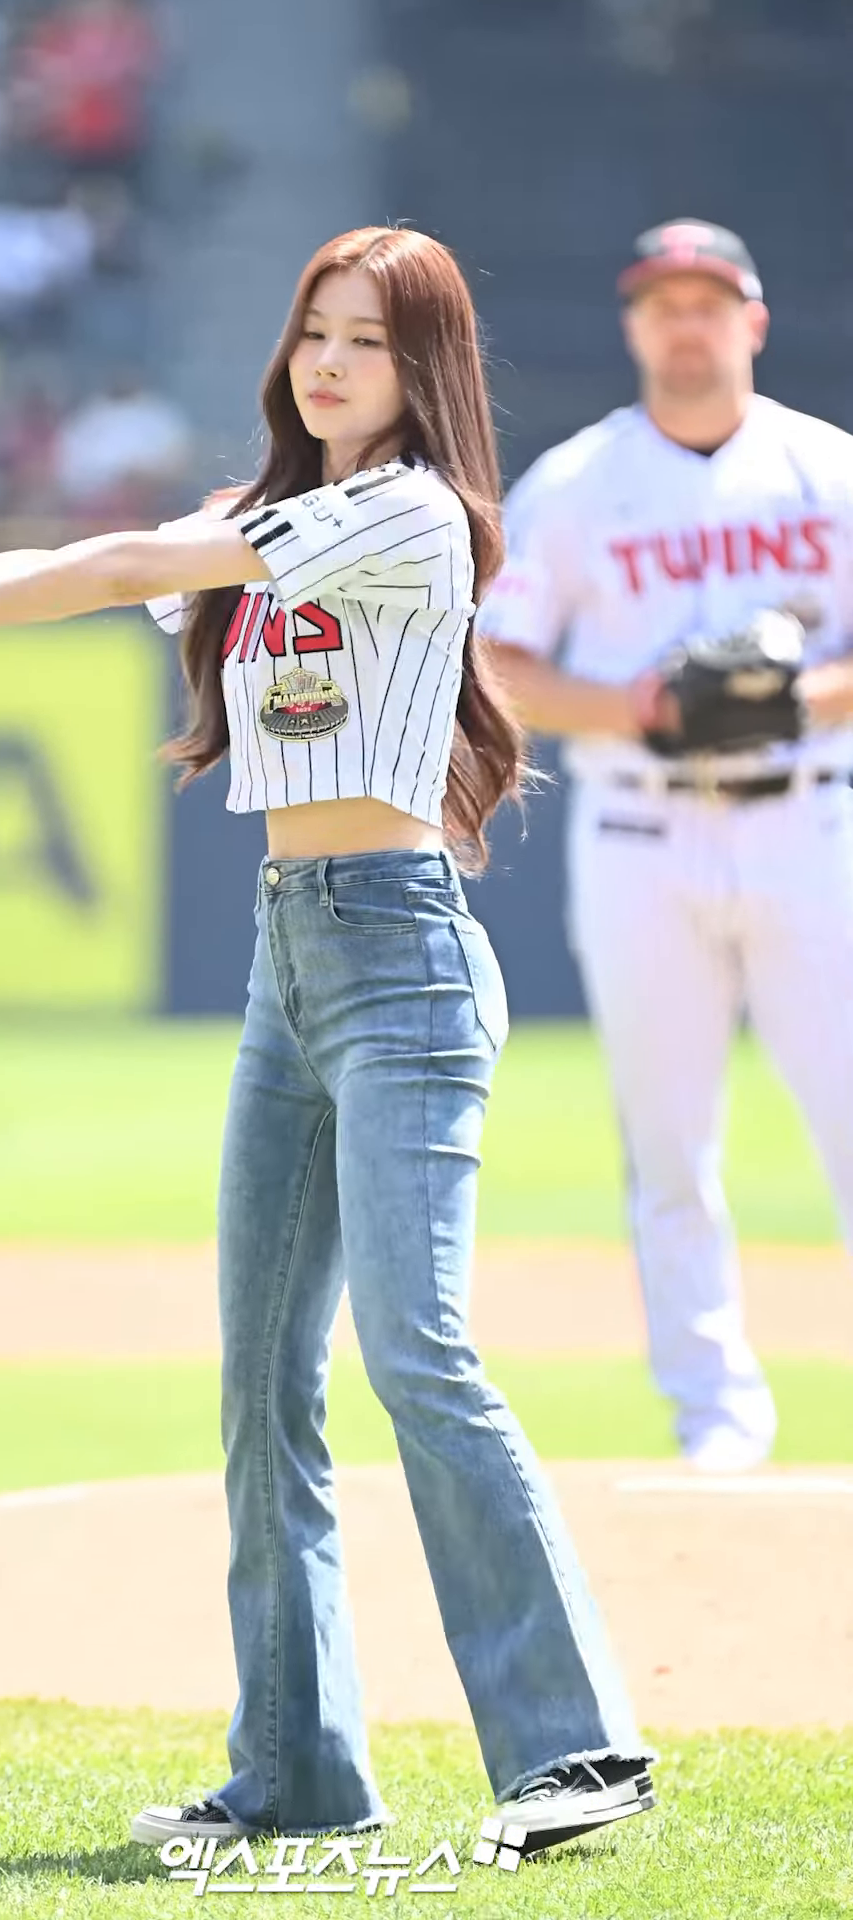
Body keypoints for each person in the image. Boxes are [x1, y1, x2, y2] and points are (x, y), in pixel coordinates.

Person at [0, 226, 656, 1856]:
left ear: (422, 366)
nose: (328, 361)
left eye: (367, 339)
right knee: (259, 1387)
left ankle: (578, 1748)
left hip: (400, 962)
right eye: (316, 328)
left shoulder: (410, 510)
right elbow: (116, 562)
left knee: (416, 1352)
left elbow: (116, 566)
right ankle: (300, 1773)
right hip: (289, 961)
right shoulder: (272, 513)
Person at [476, 219, 853, 1475]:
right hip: (640, 829)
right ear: (634, 326)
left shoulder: (827, 469)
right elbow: (501, 662)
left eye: (709, 303)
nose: (686, 326)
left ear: (753, 321)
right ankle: (715, 1415)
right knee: (668, 1142)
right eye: (662, 305)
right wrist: (642, 705)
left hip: (808, 819)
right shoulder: (579, 484)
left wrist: (795, 698)